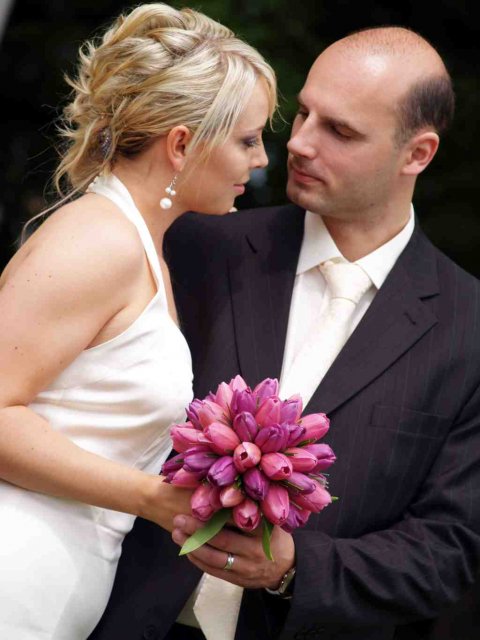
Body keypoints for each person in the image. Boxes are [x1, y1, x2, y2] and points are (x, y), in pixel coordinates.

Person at [90, 25, 480, 640]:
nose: (298, 142)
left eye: (340, 131)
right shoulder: (196, 247)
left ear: (418, 154)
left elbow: (451, 547)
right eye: (303, 113)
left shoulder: (468, 328)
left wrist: (297, 569)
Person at [0, 3, 276, 638]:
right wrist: (151, 498)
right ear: (180, 144)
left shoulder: (142, 245)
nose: (261, 160)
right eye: (247, 139)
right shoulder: (99, 241)